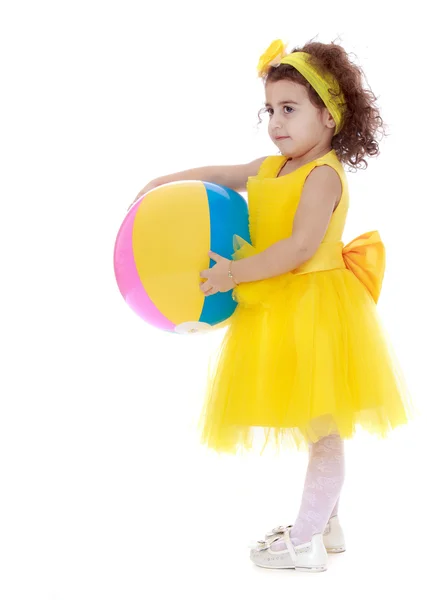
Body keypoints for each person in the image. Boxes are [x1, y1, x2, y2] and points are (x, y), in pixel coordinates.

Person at [130, 38, 416, 572]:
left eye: (290, 109)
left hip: (315, 308)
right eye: (270, 110)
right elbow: (221, 176)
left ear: (328, 117)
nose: (276, 122)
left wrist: (233, 274)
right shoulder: (273, 167)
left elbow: (300, 246)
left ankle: (307, 541)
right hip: (283, 308)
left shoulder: (322, 173)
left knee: (324, 427)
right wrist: (161, 184)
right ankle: (325, 523)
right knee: (316, 425)